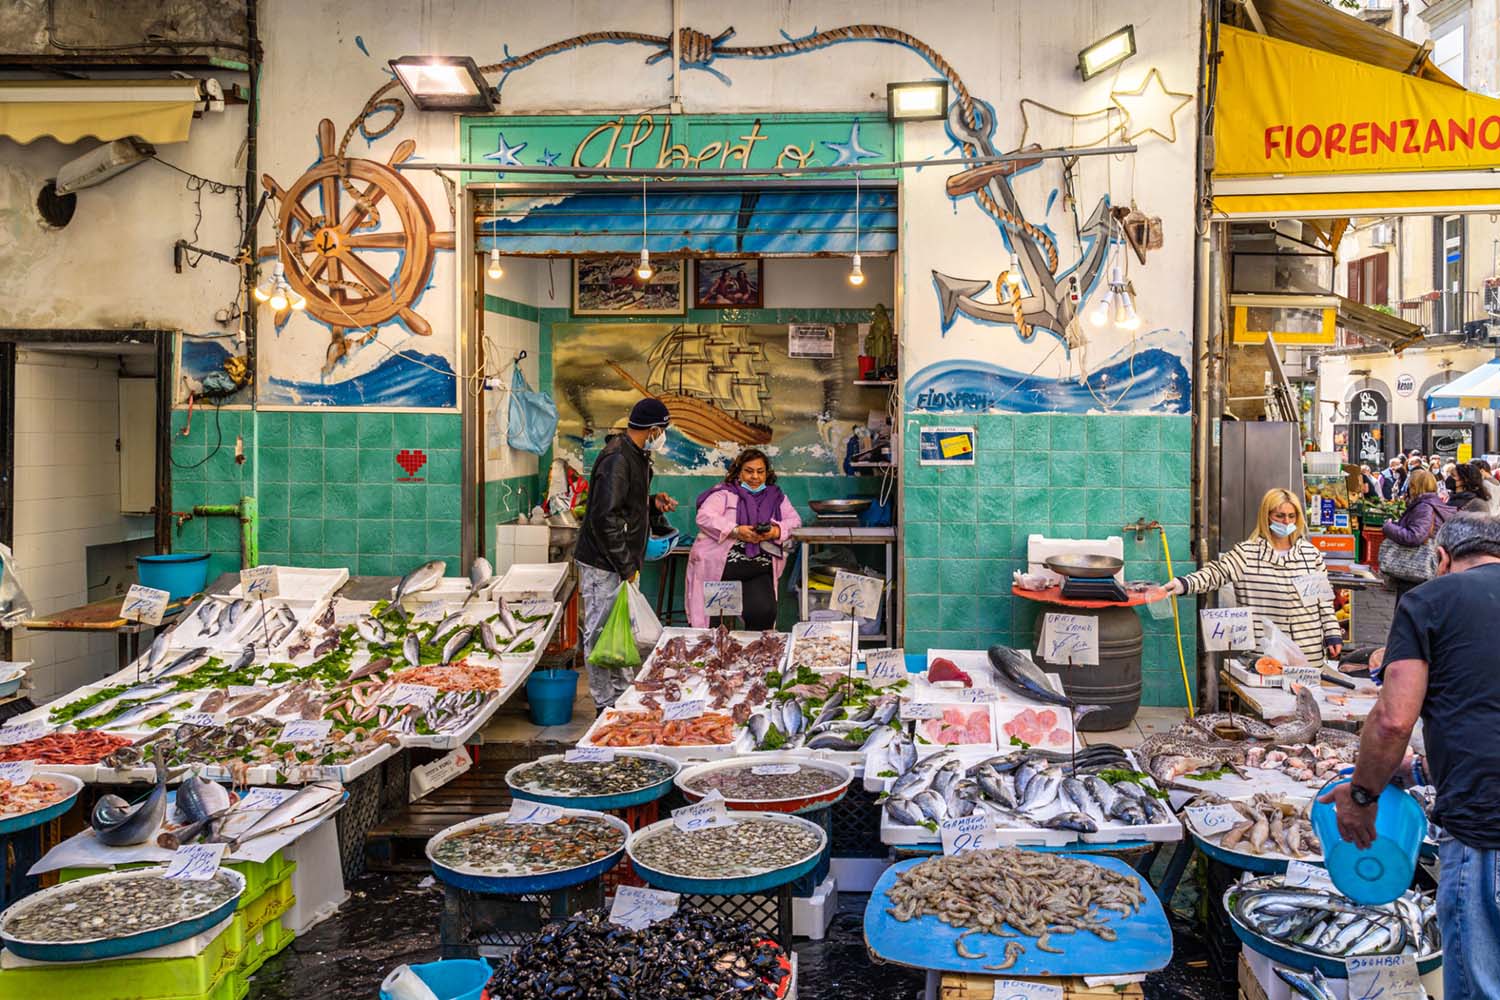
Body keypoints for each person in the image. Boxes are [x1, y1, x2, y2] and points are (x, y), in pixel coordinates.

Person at [1320, 515, 1500, 1000]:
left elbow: (1394, 720)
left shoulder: (1429, 601)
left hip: (1486, 826)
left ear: (1441, 558)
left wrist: (1361, 795)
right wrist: (1420, 769)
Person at [574, 398, 679, 711]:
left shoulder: (635, 455)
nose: (662, 436)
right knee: (600, 632)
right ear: (653, 429)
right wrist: (624, 565)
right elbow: (603, 517)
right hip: (603, 562)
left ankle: (622, 695)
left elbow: (622, 505)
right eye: (662, 430)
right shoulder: (618, 458)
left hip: (620, 561)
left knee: (618, 629)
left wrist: (651, 503)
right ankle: (604, 703)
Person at [1159, 488, 1341, 663]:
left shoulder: (1311, 555)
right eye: (1280, 516)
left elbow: (1323, 601)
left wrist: (1332, 634)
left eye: (1291, 516)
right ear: (1266, 516)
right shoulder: (1247, 553)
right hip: (1266, 655)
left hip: (1308, 653)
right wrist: (1184, 583)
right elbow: (1216, 573)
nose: (1286, 522)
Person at [685, 449, 802, 630]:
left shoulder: (777, 497)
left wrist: (774, 531)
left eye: (760, 471)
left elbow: (794, 522)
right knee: (712, 628)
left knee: (764, 612)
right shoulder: (724, 493)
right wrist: (736, 530)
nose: (754, 476)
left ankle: (754, 655)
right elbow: (704, 517)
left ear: (767, 473)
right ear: (739, 472)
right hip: (721, 570)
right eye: (749, 471)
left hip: (758, 568)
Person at [1381, 469, 1455, 607]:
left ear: (1415, 486)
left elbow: (1415, 536)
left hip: (1414, 568)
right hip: (1423, 570)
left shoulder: (1424, 507)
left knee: (1407, 610)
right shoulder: (1433, 503)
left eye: (1410, 485)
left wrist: (1389, 527)